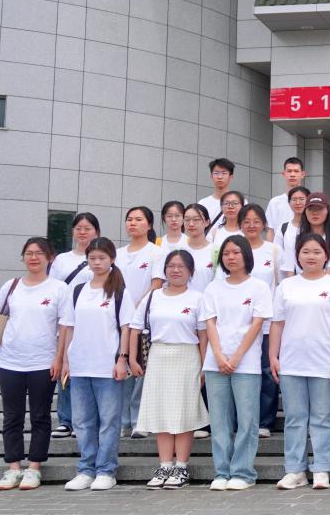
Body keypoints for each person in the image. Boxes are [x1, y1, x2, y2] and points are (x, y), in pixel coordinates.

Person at [270, 233, 330, 491]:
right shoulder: (286, 286)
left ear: (326, 255)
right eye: (305, 251)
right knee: (294, 418)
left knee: (323, 416)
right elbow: (277, 323)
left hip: (324, 362)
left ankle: (322, 468)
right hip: (291, 362)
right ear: (297, 256)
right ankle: (295, 470)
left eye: (317, 252)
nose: (311, 256)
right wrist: (273, 356)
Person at [0, 237, 72, 491]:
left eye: (39, 253)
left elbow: (65, 326)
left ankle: (34, 467)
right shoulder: (11, 286)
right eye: (29, 253)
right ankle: (13, 467)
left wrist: (60, 358)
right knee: (12, 416)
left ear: (50, 257)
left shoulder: (59, 288)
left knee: (40, 416)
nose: (33, 257)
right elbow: (1, 317)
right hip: (10, 361)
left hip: (43, 361)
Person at [131, 250, 208, 490]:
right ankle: (165, 465)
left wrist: (205, 365)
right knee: (161, 412)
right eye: (171, 266)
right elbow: (135, 328)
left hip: (187, 357)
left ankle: (181, 466)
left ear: (191, 271)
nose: (175, 270)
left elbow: (203, 335)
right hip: (158, 356)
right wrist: (132, 358)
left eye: (181, 266)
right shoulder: (153, 297)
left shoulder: (198, 298)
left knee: (184, 413)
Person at [201, 235, 272, 491]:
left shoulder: (258, 287)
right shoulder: (213, 288)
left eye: (236, 252)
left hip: (247, 363)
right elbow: (210, 323)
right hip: (215, 363)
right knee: (219, 421)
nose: (230, 257)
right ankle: (222, 471)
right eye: (226, 253)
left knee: (247, 420)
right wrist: (219, 356)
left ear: (246, 256)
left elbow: (257, 323)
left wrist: (237, 356)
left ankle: (243, 472)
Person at [61, 237, 134, 491]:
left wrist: (122, 359)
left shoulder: (119, 291)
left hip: (107, 366)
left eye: (102, 258)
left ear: (112, 259)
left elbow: (126, 328)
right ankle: (86, 469)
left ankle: (106, 470)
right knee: (82, 422)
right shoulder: (78, 290)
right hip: (80, 365)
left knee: (109, 421)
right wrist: (65, 360)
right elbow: (69, 327)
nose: (97, 262)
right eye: (92, 258)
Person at [231, 204, 283, 439]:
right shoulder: (233, 249)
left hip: (267, 322)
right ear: (240, 224)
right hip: (238, 323)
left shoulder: (274, 250)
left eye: (256, 221)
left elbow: (281, 284)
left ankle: (265, 421)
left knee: (266, 371)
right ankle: (240, 420)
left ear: (264, 224)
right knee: (239, 371)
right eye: (246, 221)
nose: (251, 225)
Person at [49, 212, 101, 439]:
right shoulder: (62, 260)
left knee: (91, 371)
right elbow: (53, 289)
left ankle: (87, 421)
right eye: (78, 228)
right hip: (67, 321)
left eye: (87, 228)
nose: (82, 232)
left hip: (94, 323)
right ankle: (66, 420)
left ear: (96, 232)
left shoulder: (101, 257)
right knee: (66, 367)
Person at [117, 206, 163, 438]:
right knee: (123, 369)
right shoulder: (117, 254)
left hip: (144, 322)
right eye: (129, 219)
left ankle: (139, 420)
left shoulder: (156, 253)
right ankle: (123, 420)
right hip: (118, 322)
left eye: (138, 219)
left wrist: (137, 309)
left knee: (141, 371)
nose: (132, 223)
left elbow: (157, 284)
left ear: (149, 225)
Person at [282, 192, 330, 278]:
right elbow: (289, 269)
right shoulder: (295, 238)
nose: (315, 213)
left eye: (320, 208)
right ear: (305, 212)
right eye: (310, 209)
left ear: (327, 211)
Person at [156, 204, 214, 293]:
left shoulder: (216, 252)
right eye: (187, 220)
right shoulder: (177, 252)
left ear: (207, 222)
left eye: (196, 219)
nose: (191, 224)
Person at [265, 157, 307, 239]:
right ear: (284, 174)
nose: (292, 174)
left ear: (303, 174)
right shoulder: (274, 202)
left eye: (296, 171)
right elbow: (270, 231)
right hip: (279, 245)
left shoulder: (309, 201)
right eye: (289, 171)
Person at [198, 158, 239, 230]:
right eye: (216, 173)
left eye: (224, 173)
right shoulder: (202, 203)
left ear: (230, 176)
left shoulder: (240, 202)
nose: (220, 177)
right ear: (211, 176)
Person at [277, 186, 310, 264]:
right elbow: (277, 253)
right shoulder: (283, 228)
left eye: (301, 199)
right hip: (286, 271)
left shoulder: (315, 226)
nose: (298, 203)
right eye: (294, 199)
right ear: (289, 203)